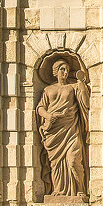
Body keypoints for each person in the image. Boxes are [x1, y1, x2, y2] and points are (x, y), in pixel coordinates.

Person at [36, 58, 90, 197]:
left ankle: (80, 189)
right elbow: (40, 107)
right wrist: (47, 116)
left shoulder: (73, 87)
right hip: (53, 130)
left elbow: (85, 103)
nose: (65, 72)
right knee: (56, 163)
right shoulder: (48, 89)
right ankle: (58, 190)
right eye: (62, 69)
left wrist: (82, 84)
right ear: (55, 72)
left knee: (73, 160)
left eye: (67, 69)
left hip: (70, 127)